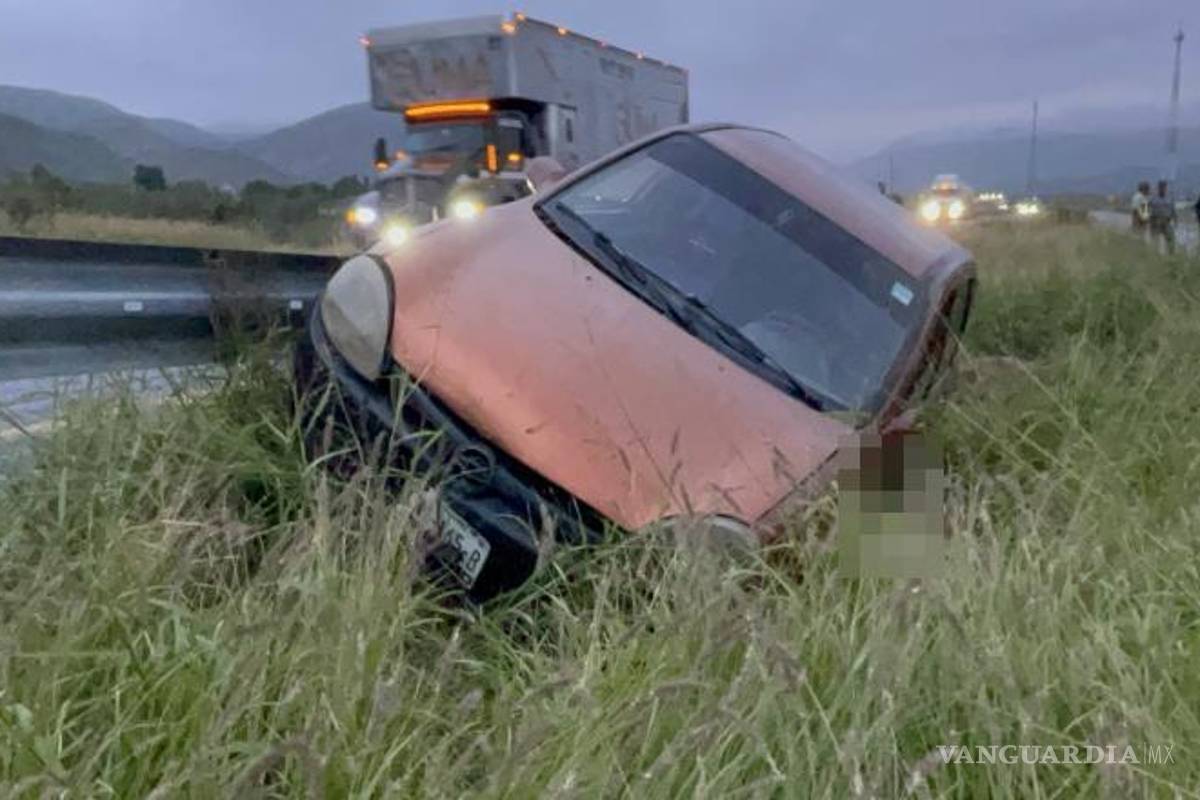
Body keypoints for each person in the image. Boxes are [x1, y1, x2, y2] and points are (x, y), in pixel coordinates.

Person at [1148, 180, 1177, 256]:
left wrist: (1176, 221)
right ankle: (1154, 257)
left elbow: (1173, 210)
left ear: (1166, 188)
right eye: (1161, 187)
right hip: (1155, 222)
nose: (1163, 189)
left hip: (1166, 222)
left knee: (1171, 239)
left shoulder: (1170, 197)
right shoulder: (1153, 198)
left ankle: (1171, 256)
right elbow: (1144, 206)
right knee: (1155, 241)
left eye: (1164, 187)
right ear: (1158, 188)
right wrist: (1147, 218)